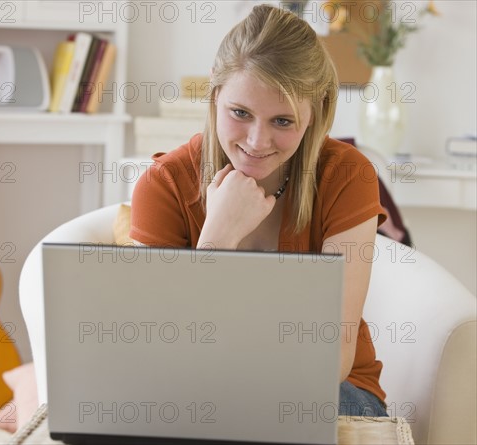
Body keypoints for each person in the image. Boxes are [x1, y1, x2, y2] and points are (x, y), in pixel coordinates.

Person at [129, 4, 388, 417]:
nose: (256, 140)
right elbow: (161, 352)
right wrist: (217, 237)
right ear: (215, 98)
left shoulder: (347, 175)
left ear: (314, 115)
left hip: (334, 395)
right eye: (240, 113)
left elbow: (330, 362)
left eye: (282, 121)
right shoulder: (164, 183)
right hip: (199, 395)